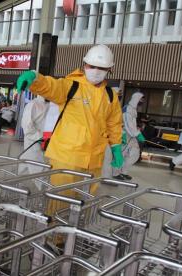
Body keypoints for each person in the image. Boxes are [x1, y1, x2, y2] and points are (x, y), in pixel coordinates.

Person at [16, 44, 123, 222]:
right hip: (67, 156)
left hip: (94, 160)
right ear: (85, 66)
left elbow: (114, 123)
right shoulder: (71, 86)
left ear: (109, 70)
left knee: (86, 200)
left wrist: (117, 146)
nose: (96, 71)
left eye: (102, 68)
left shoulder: (110, 95)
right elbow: (51, 86)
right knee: (61, 200)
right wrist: (35, 78)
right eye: (92, 66)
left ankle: (77, 235)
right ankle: (55, 239)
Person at [113, 92, 146, 180]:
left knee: (134, 154)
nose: (142, 101)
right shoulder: (127, 109)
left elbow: (132, 124)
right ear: (136, 99)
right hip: (125, 135)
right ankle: (115, 173)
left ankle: (124, 171)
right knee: (122, 154)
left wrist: (137, 132)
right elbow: (128, 124)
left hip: (132, 135)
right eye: (141, 99)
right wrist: (137, 134)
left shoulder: (133, 109)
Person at [18, 96, 50, 180]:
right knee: (39, 171)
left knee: (26, 168)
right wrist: (41, 138)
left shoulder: (52, 105)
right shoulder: (33, 104)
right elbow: (27, 127)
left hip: (46, 143)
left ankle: (19, 187)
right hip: (34, 144)